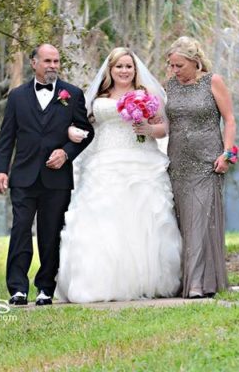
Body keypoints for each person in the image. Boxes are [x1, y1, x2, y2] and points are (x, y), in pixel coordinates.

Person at [56, 47, 181, 303]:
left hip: (141, 161)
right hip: (104, 162)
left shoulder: (147, 95)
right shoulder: (98, 96)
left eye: (129, 66)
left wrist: (147, 127)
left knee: (143, 218)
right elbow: (85, 125)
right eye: (119, 67)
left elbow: (162, 129)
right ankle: (98, 282)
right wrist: (70, 131)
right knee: (104, 219)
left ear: (135, 70)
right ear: (110, 70)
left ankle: (145, 281)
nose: (124, 71)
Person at [0, 44, 94, 306]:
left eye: (56, 61)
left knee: (51, 234)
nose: (52, 65)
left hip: (57, 178)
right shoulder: (17, 96)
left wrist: (66, 152)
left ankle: (45, 288)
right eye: (47, 60)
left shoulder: (71, 94)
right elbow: (7, 138)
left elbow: (86, 132)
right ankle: (17, 288)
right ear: (33, 63)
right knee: (20, 231)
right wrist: (1, 170)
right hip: (23, 176)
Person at [165, 36, 237, 298]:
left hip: (208, 162)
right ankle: (192, 280)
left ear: (195, 62)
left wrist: (228, 154)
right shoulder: (170, 86)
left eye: (179, 65)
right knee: (184, 224)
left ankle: (196, 284)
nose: (175, 71)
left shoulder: (213, 81)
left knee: (200, 222)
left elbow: (229, 120)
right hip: (177, 162)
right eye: (171, 65)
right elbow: (166, 125)